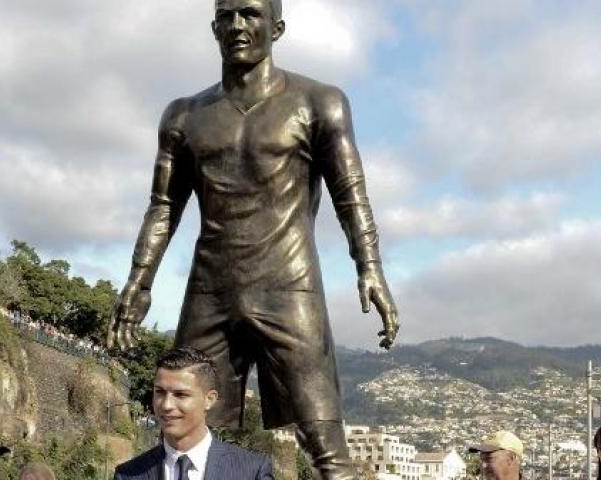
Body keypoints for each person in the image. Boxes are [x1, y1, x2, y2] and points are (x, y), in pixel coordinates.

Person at [107, 0, 400, 478]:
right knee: (179, 437)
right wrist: (138, 284)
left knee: (326, 447)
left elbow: (352, 197)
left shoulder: (318, 102)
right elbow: (163, 206)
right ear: (213, 27)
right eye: (227, 16)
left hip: (290, 286)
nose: (237, 25)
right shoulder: (183, 116)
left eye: (250, 14)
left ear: (277, 27)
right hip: (211, 290)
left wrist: (370, 267)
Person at [113, 347, 273, 479]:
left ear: (209, 399)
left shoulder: (252, 472)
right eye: (159, 392)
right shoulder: (128, 474)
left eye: (181, 395)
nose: (166, 405)